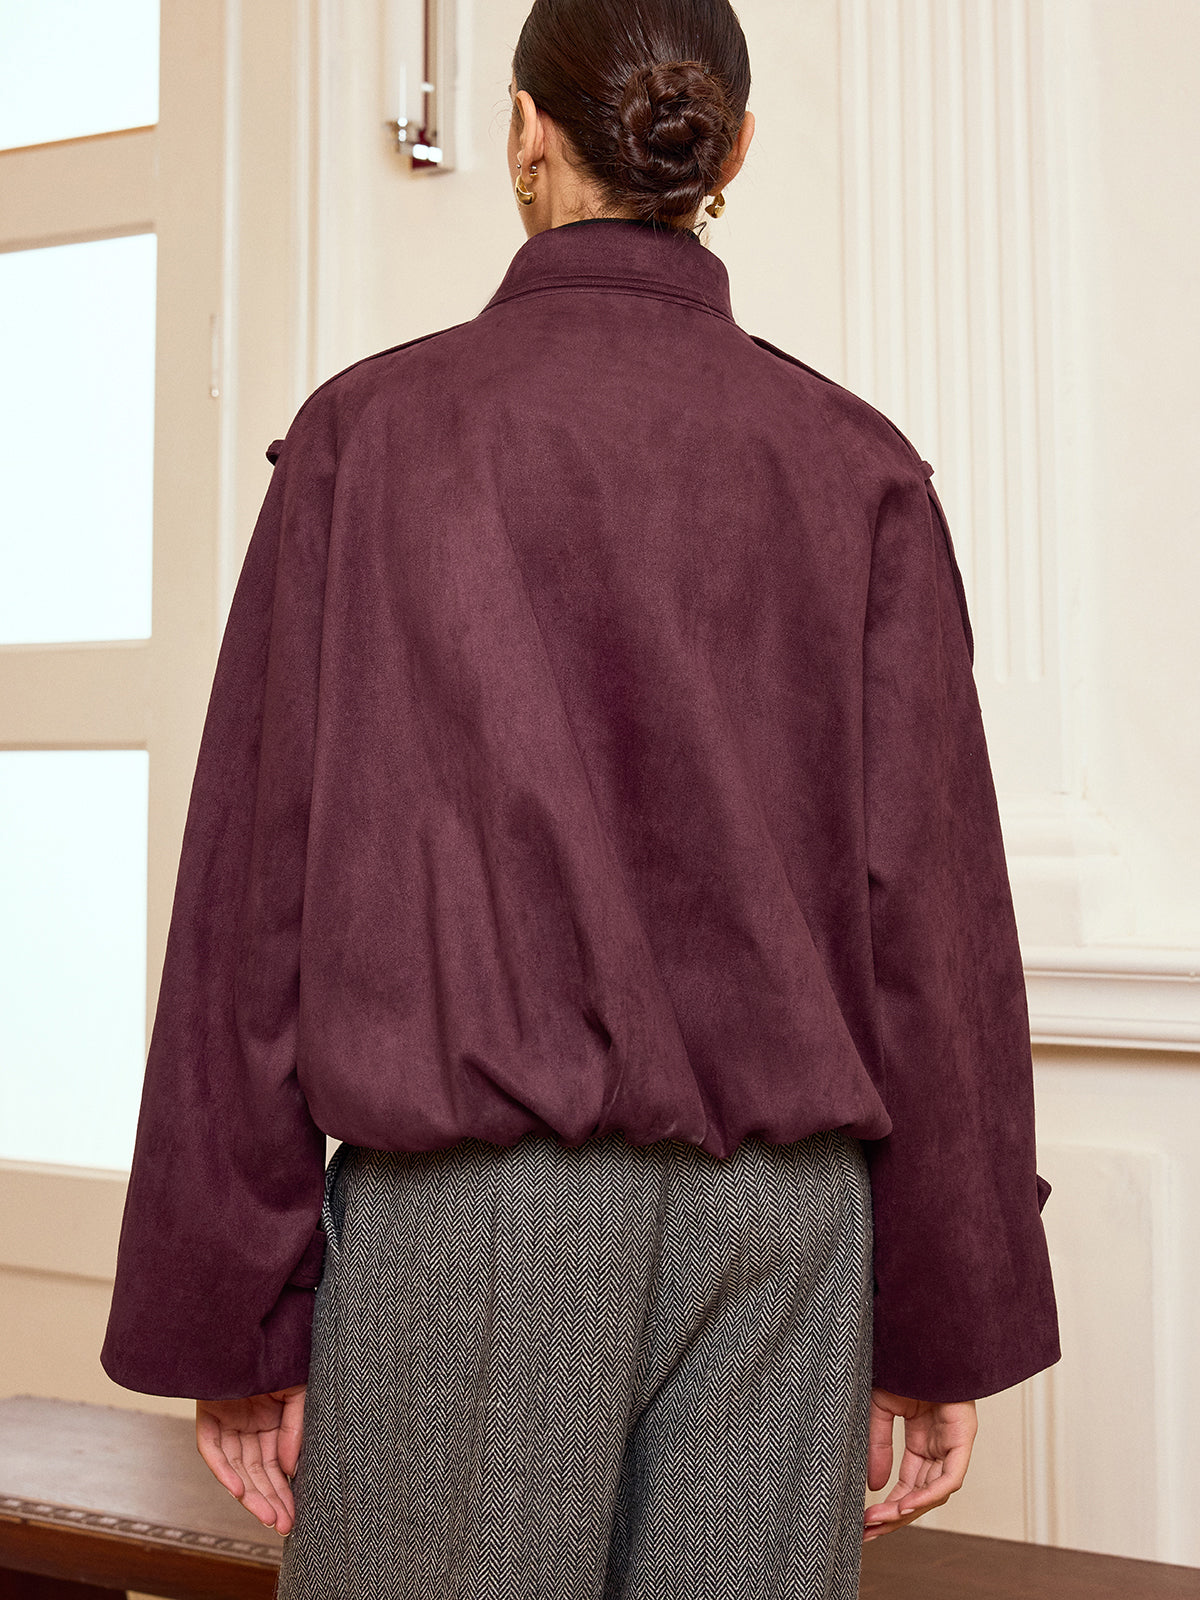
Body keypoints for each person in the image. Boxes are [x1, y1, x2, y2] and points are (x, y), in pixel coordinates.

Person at [100, 2, 1061, 1595]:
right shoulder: (856, 464)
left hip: (478, 1226)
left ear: (523, 131)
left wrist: (239, 1304)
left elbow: (255, 891)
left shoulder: (371, 438)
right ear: (732, 152)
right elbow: (934, 924)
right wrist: (944, 1305)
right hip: (786, 1240)